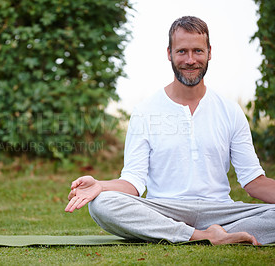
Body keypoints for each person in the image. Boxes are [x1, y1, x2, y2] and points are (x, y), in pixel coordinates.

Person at [65, 16, 275, 245]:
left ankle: (214, 233)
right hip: (165, 210)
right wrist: (100, 185)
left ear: (209, 52)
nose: (190, 60)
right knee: (102, 204)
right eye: (182, 51)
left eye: (198, 51)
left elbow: (254, 182)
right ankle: (202, 236)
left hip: (221, 212)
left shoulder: (230, 111)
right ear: (169, 53)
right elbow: (133, 182)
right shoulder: (145, 111)